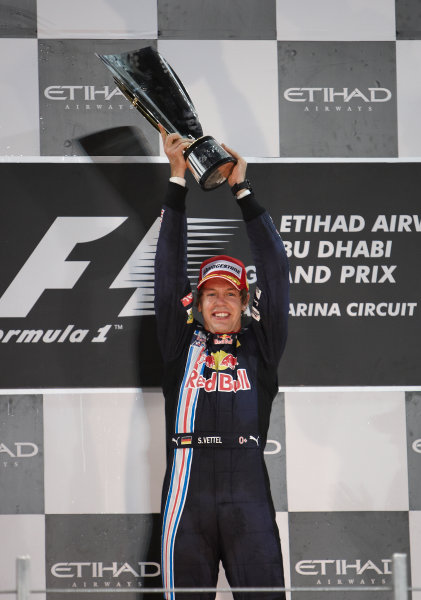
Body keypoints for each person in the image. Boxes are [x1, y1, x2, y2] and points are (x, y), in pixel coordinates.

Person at [154, 125, 289, 600]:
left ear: (244, 302)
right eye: (210, 293)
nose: (220, 303)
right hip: (187, 486)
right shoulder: (179, 342)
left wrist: (242, 189)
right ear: (197, 302)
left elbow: (275, 267)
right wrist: (177, 178)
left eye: (230, 294)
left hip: (247, 487)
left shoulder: (261, 346)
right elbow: (168, 269)